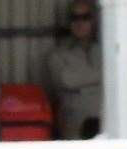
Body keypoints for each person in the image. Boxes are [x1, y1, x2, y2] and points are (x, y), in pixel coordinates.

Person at [41, 0, 101, 139]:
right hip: (75, 122)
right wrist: (104, 75)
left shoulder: (107, 49)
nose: (79, 23)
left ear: (94, 20)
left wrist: (83, 84)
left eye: (85, 17)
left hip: (107, 118)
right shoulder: (57, 54)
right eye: (75, 18)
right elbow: (67, 80)